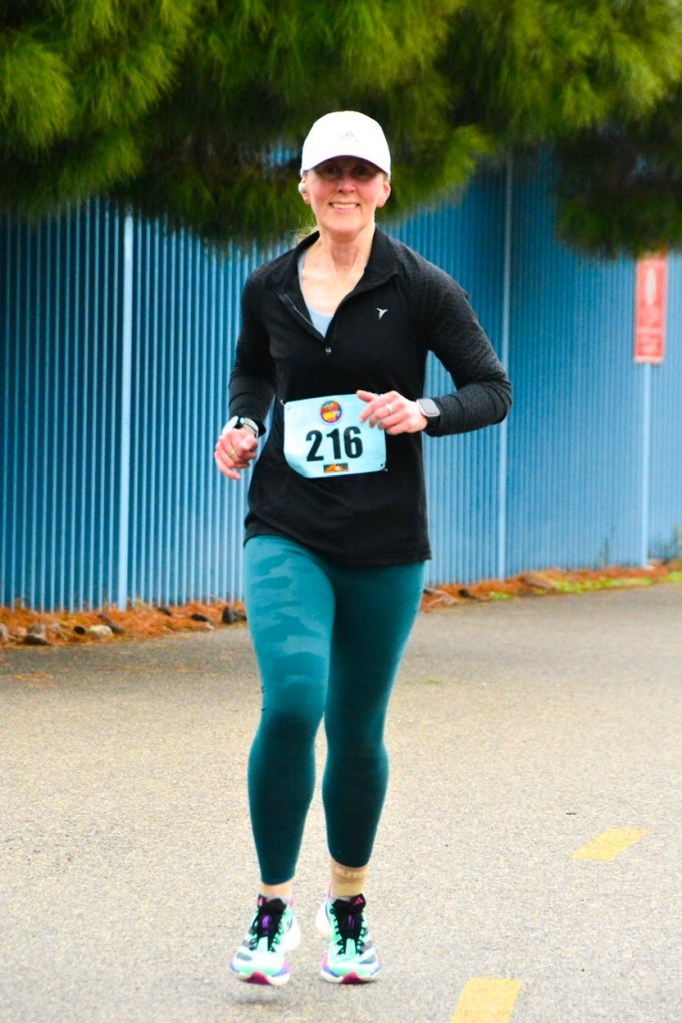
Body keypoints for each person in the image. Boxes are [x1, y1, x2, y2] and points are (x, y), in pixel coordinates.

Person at [214, 110, 512, 987]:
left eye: (361, 173)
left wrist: (424, 410)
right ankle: (271, 909)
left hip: (386, 538)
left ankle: (347, 908)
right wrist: (242, 423)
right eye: (328, 172)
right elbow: (255, 371)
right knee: (295, 699)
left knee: (356, 730)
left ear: (384, 187)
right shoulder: (267, 284)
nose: (345, 186)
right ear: (304, 185)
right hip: (287, 525)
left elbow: (492, 388)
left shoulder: (424, 288)